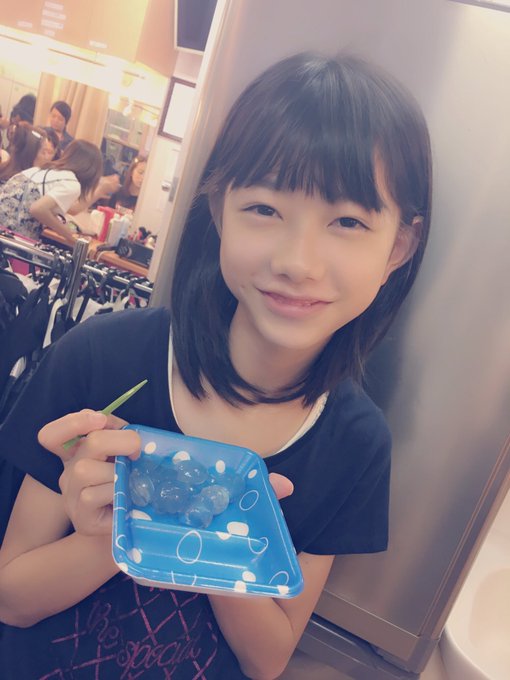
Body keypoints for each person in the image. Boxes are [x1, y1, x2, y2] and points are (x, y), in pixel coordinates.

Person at [0, 52, 432, 679]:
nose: (298, 262)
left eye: (347, 221)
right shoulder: (102, 357)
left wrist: (216, 519)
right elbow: (11, 600)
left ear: (399, 246)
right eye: (265, 209)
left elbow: (268, 658)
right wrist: (123, 528)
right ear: (219, 206)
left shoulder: (354, 443)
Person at [0, 139, 103, 246]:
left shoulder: (44, 169)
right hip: (12, 239)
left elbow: (69, 209)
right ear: (91, 171)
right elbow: (38, 209)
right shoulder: (71, 183)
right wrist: (70, 237)